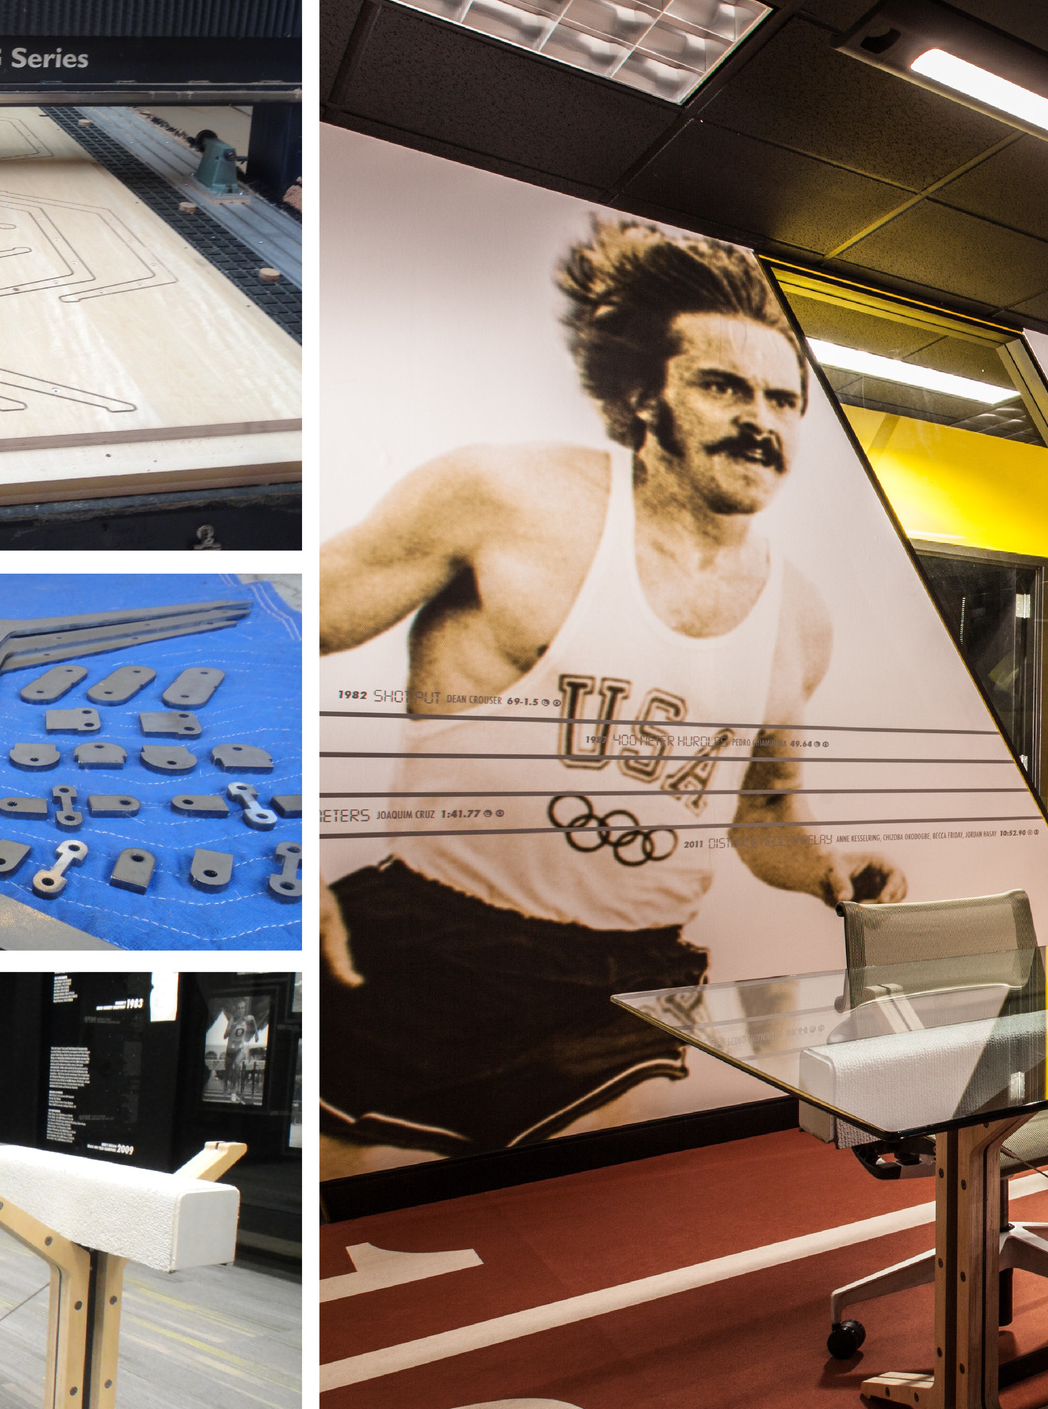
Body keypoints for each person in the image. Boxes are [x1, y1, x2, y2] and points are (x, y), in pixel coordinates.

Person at [320, 217, 906, 1156]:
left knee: (571, 1211)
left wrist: (828, 875)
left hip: (630, 971)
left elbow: (763, 816)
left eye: (783, 399)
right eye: (723, 386)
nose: (760, 419)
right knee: (363, 1213)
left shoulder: (799, 614)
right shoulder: (507, 500)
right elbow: (267, 623)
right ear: (642, 396)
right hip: (430, 942)